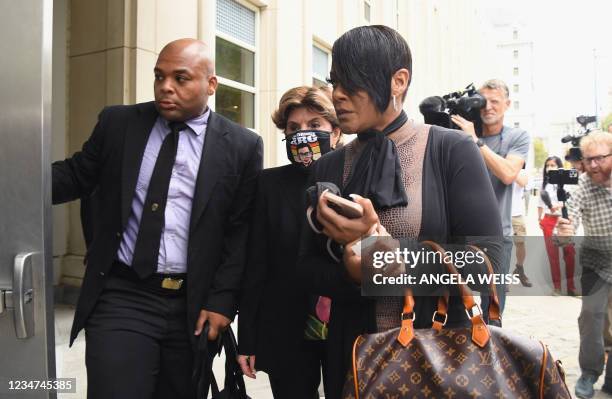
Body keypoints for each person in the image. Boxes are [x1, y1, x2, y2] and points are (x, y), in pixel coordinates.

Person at [296, 25, 502, 399]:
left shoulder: (450, 150)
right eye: (333, 82)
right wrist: (350, 270)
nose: (337, 95)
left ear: (398, 81)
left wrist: (380, 253)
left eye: (351, 82)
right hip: (353, 362)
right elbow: (306, 269)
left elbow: (490, 264)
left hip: (439, 357)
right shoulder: (328, 166)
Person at [52, 38, 263, 399]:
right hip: (122, 293)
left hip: (192, 307)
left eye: (181, 79)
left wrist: (222, 302)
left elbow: (239, 230)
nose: (166, 87)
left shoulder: (242, 146)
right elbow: (75, 175)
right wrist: (15, 180)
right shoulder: (119, 124)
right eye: (159, 76)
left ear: (211, 85)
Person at [237, 86, 341, 398]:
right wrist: (248, 338)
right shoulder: (268, 185)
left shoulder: (356, 177)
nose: (302, 135)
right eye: (293, 128)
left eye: (314, 125)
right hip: (286, 327)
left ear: (335, 133)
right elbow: (256, 263)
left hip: (345, 326)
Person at [451, 79, 530, 312]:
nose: (488, 107)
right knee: (452, 301)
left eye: (495, 102)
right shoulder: (461, 132)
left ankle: (490, 347)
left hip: (497, 236)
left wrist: (474, 141)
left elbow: (508, 174)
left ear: (507, 104)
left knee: (492, 308)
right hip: (459, 235)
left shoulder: (517, 137)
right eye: (483, 102)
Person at [556, 131, 612, 399]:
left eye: (599, 159)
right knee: (591, 317)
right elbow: (569, 220)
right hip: (596, 263)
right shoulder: (582, 188)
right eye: (588, 160)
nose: (592, 166)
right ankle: (590, 372)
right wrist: (563, 232)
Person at [538, 156, 576, 296]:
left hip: (563, 220)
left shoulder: (566, 182)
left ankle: (571, 287)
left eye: (553, 165)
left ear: (559, 166)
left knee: (569, 253)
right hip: (548, 221)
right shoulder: (543, 184)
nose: (550, 168)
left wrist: (560, 205)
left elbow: (572, 199)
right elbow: (540, 204)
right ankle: (557, 287)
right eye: (548, 165)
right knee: (553, 256)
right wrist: (539, 219)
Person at [511, 169, 532, 286]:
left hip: (516, 214)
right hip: (499, 212)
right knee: (501, 246)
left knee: (521, 244)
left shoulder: (522, 171)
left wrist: (508, 168)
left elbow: (523, 182)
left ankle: (519, 269)